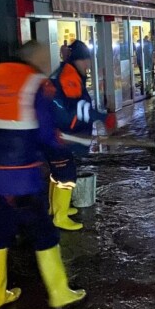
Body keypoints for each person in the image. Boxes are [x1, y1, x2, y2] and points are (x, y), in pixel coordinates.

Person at [0, 41, 85, 309]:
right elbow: (45, 134)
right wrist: (63, 143)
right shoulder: (35, 83)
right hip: (22, 178)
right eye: (45, 57)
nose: (48, 62)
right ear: (34, 59)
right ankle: (60, 294)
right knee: (44, 233)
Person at [47, 40, 117, 231]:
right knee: (67, 174)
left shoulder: (68, 72)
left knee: (58, 172)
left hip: (56, 132)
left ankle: (55, 208)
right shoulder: (69, 77)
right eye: (85, 60)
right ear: (77, 60)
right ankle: (59, 216)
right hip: (61, 134)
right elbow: (78, 108)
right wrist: (102, 117)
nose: (87, 65)